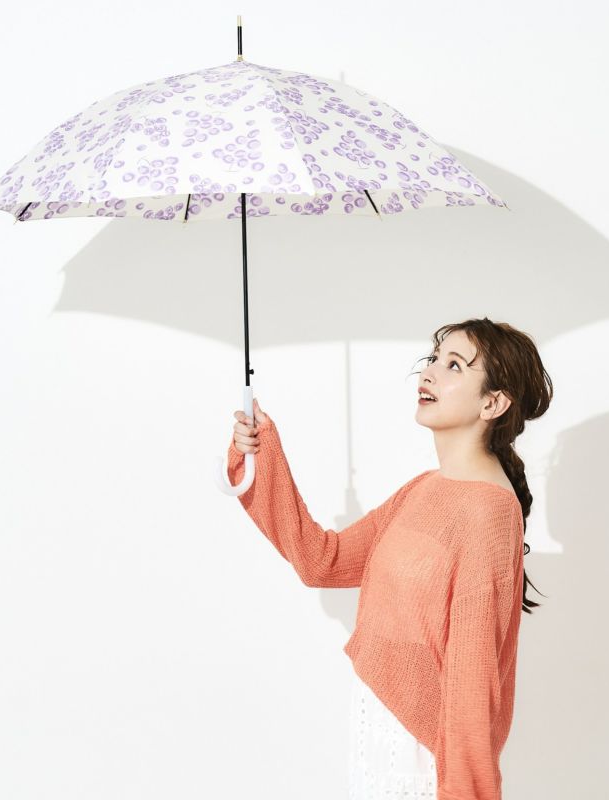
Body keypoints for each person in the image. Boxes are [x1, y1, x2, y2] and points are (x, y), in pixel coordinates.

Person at [226, 318, 553, 800]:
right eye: (434, 358)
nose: (429, 373)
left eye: (454, 366)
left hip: (421, 757)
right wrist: (261, 452)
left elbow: (472, 679)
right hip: (378, 736)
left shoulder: (488, 512)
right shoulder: (425, 489)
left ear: (493, 403)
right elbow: (323, 560)